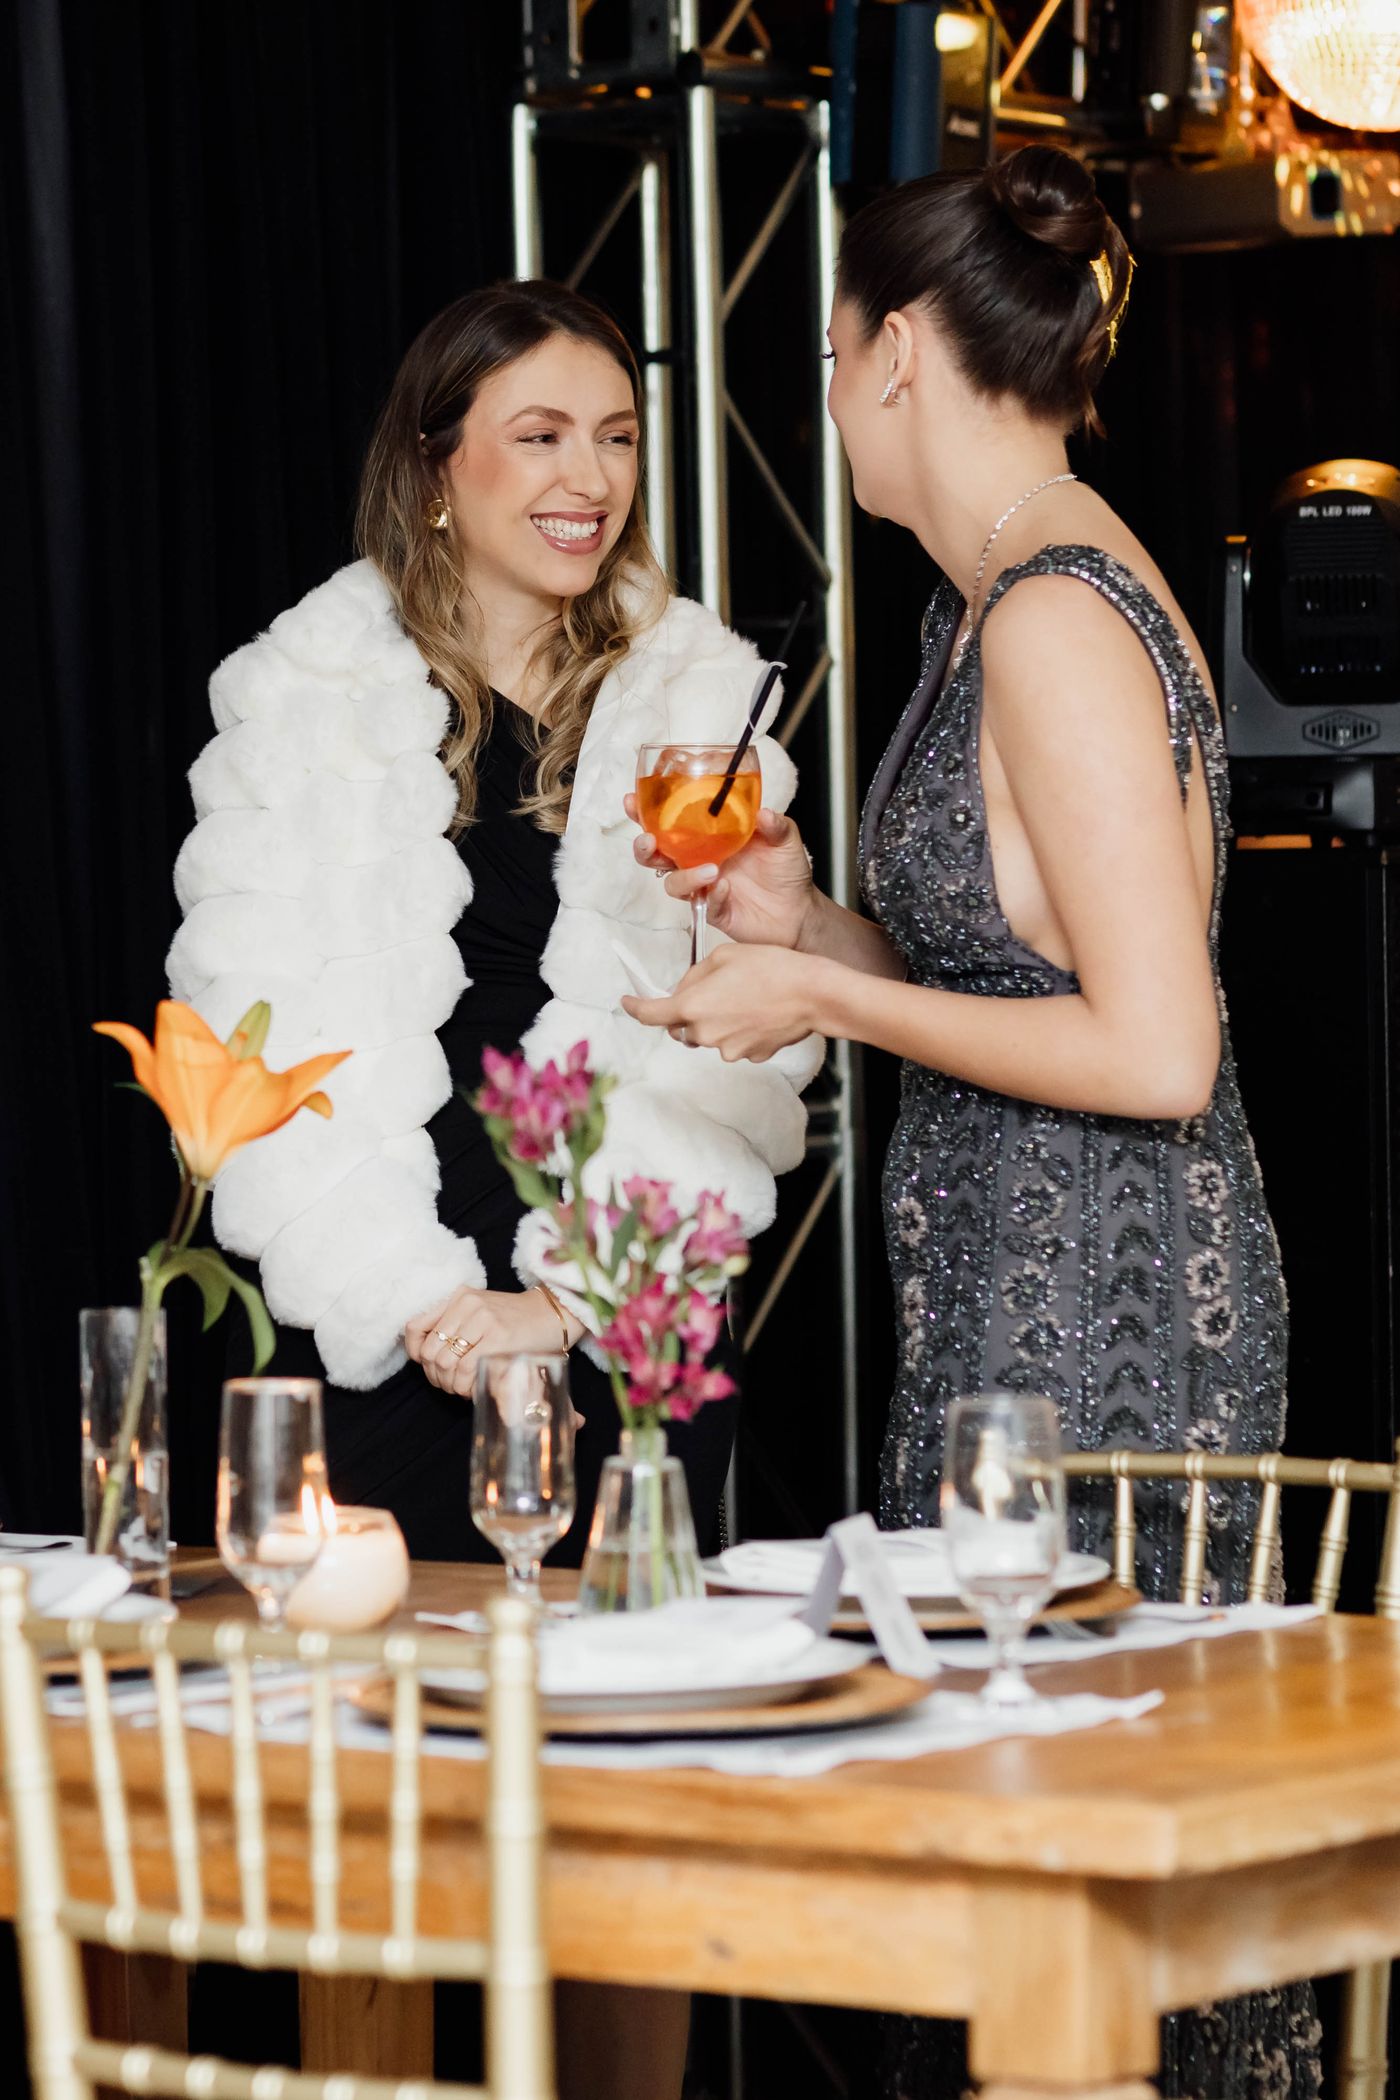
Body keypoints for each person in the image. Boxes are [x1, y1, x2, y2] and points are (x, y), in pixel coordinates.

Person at [624, 145, 1320, 2100]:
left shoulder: (1049, 617)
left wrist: (825, 1000)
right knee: (1009, 1877)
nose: (827, 399)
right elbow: (1020, 966)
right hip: (1015, 1308)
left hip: (1110, 1321)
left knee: (1080, 1888)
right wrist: (809, 925)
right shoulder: (989, 597)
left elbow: (1159, 1049)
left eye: (829, 354)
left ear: (899, 351)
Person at [169, 280, 819, 1573]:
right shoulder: (300, 704)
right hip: (371, 1309)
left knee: (627, 1668)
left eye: (617, 436)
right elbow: (249, 1039)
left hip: (622, 1301)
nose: (592, 477)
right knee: (364, 1678)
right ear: (435, 469)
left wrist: (561, 1308)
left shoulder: (699, 706)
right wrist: (422, 1307)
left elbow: (737, 1070)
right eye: (540, 436)